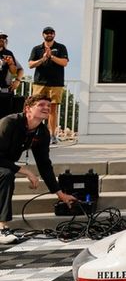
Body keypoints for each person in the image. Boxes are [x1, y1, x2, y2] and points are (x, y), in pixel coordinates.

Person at [0, 92, 78, 243]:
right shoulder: (9, 123)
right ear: (28, 109)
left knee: (7, 172)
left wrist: (60, 193)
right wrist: (24, 171)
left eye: (48, 105)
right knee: (6, 174)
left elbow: (44, 165)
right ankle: (2, 228)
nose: (46, 108)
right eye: (41, 105)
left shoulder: (41, 132)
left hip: (4, 163)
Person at [28, 27, 68, 144]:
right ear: (43, 35)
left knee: (52, 109)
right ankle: (34, 133)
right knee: (36, 108)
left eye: (51, 33)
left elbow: (64, 62)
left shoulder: (61, 47)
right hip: (39, 83)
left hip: (56, 83)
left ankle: (52, 135)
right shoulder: (36, 49)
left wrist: (51, 56)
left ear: (54, 34)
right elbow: (30, 64)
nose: (49, 34)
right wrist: (43, 58)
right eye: (46, 33)